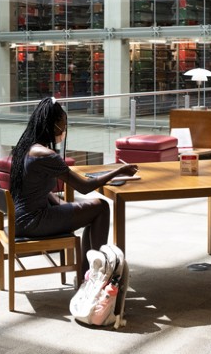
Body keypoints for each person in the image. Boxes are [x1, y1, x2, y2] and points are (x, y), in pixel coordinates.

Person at [9, 97, 138, 275]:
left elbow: (41, 191)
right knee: (101, 207)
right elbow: (84, 187)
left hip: (20, 219)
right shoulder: (45, 155)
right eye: (64, 123)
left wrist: (68, 207)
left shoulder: (26, 148)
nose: (65, 129)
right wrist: (118, 170)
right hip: (34, 221)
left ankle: (87, 273)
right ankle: (99, 273)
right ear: (54, 124)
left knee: (90, 211)